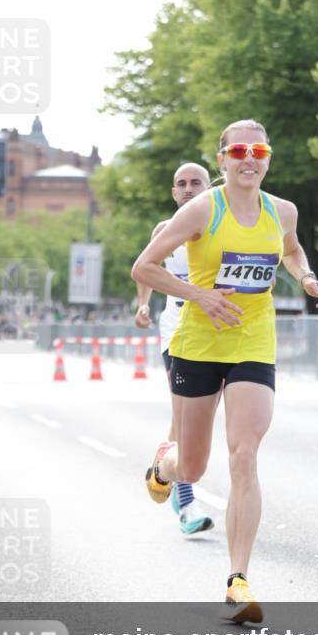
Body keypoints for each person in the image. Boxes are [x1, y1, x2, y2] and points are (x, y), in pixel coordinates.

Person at [132, 119, 318, 623]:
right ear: (222, 159)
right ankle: (164, 468)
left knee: (244, 455)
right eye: (239, 150)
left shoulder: (282, 211)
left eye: (259, 150)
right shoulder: (204, 207)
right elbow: (145, 268)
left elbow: (289, 250)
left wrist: (306, 278)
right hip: (199, 341)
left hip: (253, 339)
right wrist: (199, 294)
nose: (250, 158)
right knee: (195, 466)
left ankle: (238, 581)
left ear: (268, 157)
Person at [134, 162, 215, 535]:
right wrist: (143, 304)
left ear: (209, 186)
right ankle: (186, 505)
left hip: (220, 331)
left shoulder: (223, 229)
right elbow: (147, 269)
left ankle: (162, 466)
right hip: (179, 330)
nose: (187, 188)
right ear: (173, 192)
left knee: (199, 419)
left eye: (195, 182)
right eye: (180, 183)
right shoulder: (165, 231)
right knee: (185, 416)